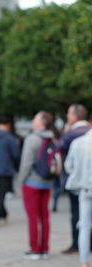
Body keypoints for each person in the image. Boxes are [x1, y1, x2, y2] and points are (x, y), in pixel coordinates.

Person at [18, 111, 57, 260]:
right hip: (47, 182)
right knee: (44, 216)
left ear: (41, 122)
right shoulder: (52, 137)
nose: (33, 120)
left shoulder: (32, 138)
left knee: (33, 217)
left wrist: (21, 180)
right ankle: (45, 249)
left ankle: (35, 249)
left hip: (32, 182)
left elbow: (26, 162)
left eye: (35, 118)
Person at [59, 104, 91, 254]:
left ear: (76, 116)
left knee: (79, 218)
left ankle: (78, 246)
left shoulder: (72, 135)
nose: (67, 116)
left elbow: (67, 162)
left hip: (79, 183)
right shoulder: (85, 132)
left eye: (69, 114)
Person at [65, 128, 92, 267]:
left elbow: (69, 166)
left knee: (84, 225)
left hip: (84, 188)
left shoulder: (78, 142)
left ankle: (84, 261)